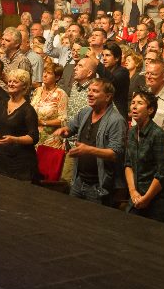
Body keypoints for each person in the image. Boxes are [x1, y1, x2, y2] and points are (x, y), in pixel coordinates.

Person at [54, 78, 127, 206]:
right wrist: (64, 130)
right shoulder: (85, 112)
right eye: (89, 90)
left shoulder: (116, 121)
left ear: (108, 97)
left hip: (99, 186)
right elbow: (71, 127)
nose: (89, 93)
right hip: (79, 180)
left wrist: (88, 150)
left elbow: (115, 153)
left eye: (95, 91)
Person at [125, 90, 164, 224]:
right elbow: (128, 164)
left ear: (150, 110)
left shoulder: (158, 135)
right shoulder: (132, 132)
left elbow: (163, 173)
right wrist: (133, 192)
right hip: (138, 196)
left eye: (139, 103)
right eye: (133, 103)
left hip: (159, 201)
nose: (134, 106)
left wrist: (147, 198)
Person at [0, 69, 39, 181]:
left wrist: (14, 139)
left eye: (15, 81)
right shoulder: (3, 103)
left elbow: (34, 137)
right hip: (4, 159)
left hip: (22, 162)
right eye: (9, 81)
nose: (11, 84)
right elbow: (0, 129)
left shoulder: (28, 110)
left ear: (24, 86)